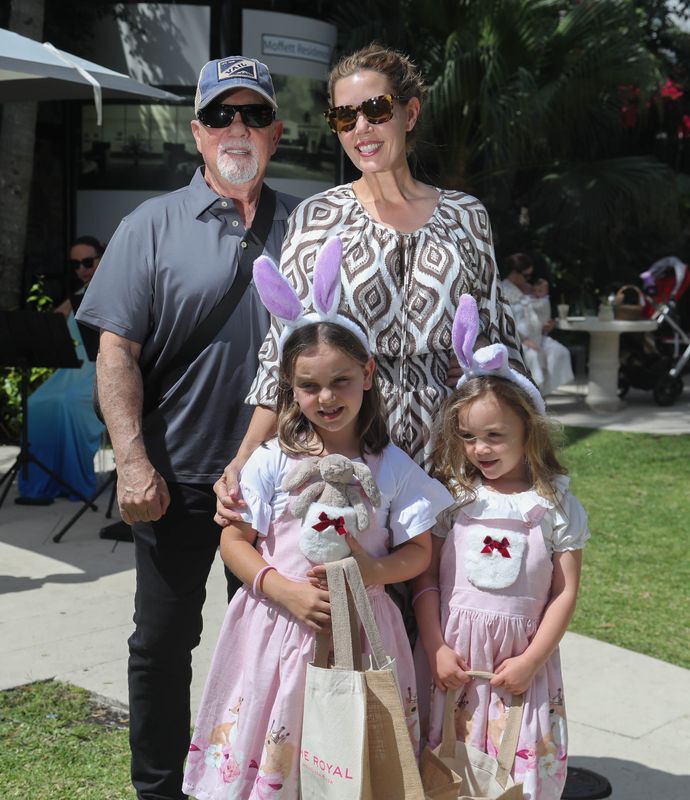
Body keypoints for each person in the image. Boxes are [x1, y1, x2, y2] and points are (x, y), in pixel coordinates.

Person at [75, 56, 299, 800]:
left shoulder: (307, 225)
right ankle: (161, 790)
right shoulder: (149, 225)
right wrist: (132, 463)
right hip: (173, 480)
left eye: (255, 115)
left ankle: (262, 783)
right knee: (163, 646)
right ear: (196, 130)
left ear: (277, 131)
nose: (239, 129)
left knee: (278, 648)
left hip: (279, 486)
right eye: (222, 115)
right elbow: (116, 353)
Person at [182, 248, 453, 799]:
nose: (326, 398)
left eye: (341, 381)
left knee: (348, 755)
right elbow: (234, 540)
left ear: (368, 374)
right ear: (288, 384)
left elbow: (420, 552)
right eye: (309, 385)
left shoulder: (392, 467)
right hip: (273, 629)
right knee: (277, 742)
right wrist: (281, 590)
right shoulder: (272, 459)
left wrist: (375, 569)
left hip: (361, 631)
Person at [215, 43, 524, 524]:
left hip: (452, 459)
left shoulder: (467, 217)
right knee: (353, 595)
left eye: (377, 110)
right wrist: (245, 455)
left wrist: (518, 453)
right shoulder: (318, 218)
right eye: (344, 117)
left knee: (448, 597)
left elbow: (501, 342)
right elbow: (284, 348)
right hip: (347, 459)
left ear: (410, 112)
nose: (361, 129)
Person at [413, 294, 589, 800]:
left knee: (515, 772)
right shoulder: (453, 498)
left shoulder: (555, 505)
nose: (480, 449)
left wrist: (533, 660)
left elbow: (564, 592)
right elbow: (425, 576)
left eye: (495, 435)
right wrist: (435, 647)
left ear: (528, 431)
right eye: (468, 436)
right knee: (449, 768)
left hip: (519, 670)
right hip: (454, 664)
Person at [16, 236, 105, 504]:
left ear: (102, 257)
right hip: (71, 371)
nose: (82, 270)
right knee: (36, 403)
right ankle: (43, 484)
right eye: (76, 265)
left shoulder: (117, 289)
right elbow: (52, 326)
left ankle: (75, 482)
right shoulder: (77, 297)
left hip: (99, 372)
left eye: (88, 262)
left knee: (67, 405)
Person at [501, 253, 574, 397]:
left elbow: (541, 312)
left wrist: (549, 324)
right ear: (514, 273)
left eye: (530, 275)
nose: (528, 279)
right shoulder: (502, 290)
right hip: (516, 341)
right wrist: (524, 340)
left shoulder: (533, 289)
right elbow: (504, 321)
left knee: (560, 352)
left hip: (539, 336)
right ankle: (532, 396)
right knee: (533, 357)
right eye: (525, 275)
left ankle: (543, 394)